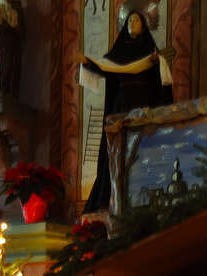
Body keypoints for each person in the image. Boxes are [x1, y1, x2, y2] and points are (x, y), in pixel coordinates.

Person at [78, 10, 173, 213]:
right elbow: (105, 68)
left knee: (141, 148)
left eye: (137, 19)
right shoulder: (118, 51)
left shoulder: (150, 50)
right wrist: (86, 62)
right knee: (119, 151)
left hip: (143, 104)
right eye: (130, 19)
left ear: (143, 25)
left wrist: (158, 63)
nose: (133, 22)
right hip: (121, 106)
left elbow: (162, 81)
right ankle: (113, 196)